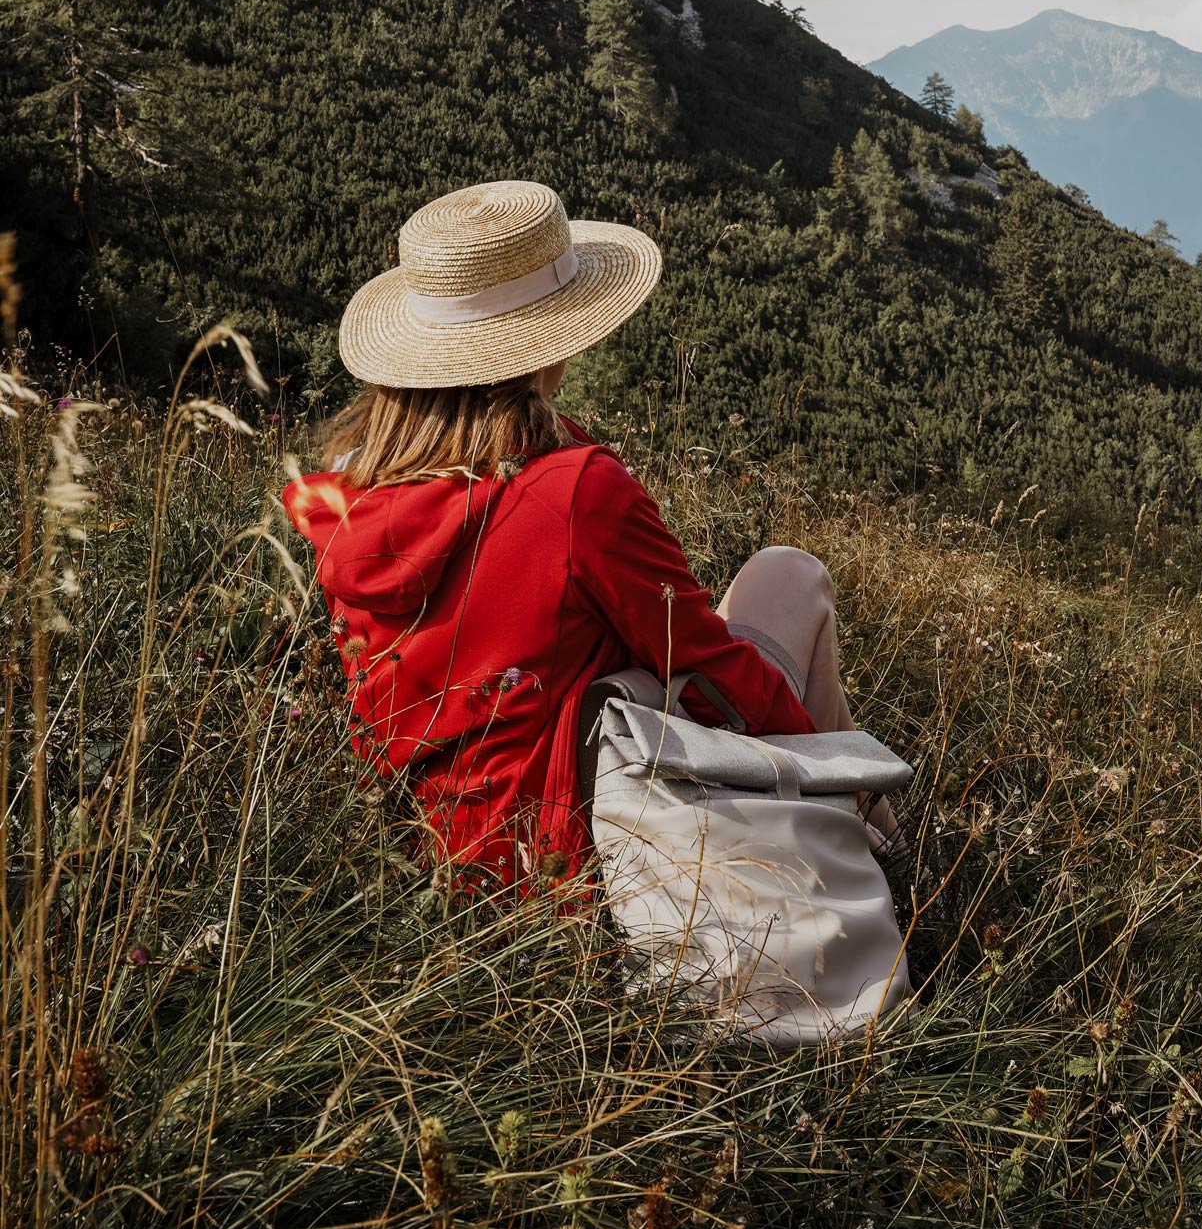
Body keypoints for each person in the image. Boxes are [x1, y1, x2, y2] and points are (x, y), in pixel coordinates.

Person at [284, 178, 894, 887]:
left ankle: (859, 833)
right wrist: (834, 771)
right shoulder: (573, 490)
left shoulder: (338, 497)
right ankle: (859, 841)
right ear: (548, 344)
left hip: (426, 857)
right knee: (789, 575)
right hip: (570, 853)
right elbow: (710, 674)